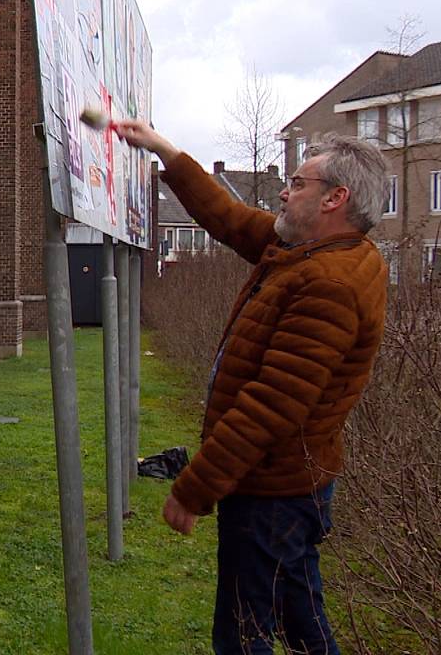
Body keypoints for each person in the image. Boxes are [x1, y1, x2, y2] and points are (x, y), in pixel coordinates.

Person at [111, 119, 389, 655]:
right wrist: (166, 151)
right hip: (289, 486)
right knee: (300, 620)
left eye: (299, 184)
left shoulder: (328, 283)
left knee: (243, 634)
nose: (285, 192)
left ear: (336, 198)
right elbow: (231, 220)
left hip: (273, 496)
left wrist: (195, 488)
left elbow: (271, 406)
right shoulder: (310, 253)